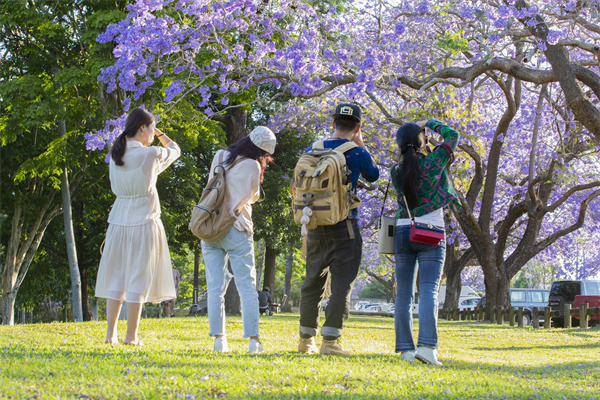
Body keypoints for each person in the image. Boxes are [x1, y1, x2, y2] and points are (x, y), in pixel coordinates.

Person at [298, 103, 380, 356]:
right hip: (344, 226)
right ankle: (330, 342)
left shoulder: (314, 148)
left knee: (313, 281)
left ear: (333, 124)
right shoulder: (356, 152)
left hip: (313, 223)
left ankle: (306, 341)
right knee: (342, 283)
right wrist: (361, 143)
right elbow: (374, 175)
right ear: (357, 128)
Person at [95, 107, 181, 345]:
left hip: (118, 222)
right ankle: (131, 336)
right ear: (143, 127)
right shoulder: (150, 154)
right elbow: (175, 150)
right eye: (152, 129)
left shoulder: (115, 157)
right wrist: (163, 135)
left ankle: (110, 335)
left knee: (116, 278)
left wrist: (152, 129)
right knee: (138, 278)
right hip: (144, 221)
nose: (154, 134)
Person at [201, 126, 277, 354]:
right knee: (247, 286)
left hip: (211, 225)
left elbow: (212, 184)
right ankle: (253, 341)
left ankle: (219, 340)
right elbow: (252, 197)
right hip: (236, 226)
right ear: (263, 152)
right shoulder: (253, 165)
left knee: (215, 287)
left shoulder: (220, 155)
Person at [391, 119, 460, 366]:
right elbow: (453, 135)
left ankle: (406, 350)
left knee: (404, 295)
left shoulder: (395, 171)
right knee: (429, 289)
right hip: (430, 230)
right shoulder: (433, 162)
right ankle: (427, 348)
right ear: (422, 141)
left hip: (402, 231)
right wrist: (429, 123)